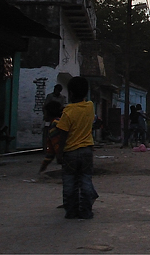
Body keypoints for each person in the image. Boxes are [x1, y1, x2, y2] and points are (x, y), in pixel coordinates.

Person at [55, 76, 97, 220]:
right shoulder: (90, 107)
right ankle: (86, 210)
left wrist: (59, 153)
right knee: (85, 180)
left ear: (71, 93)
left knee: (69, 181)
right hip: (86, 150)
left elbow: (63, 134)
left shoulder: (68, 112)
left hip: (70, 152)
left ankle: (71, 211)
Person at [38, 101, 63, 173]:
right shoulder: (59, 122)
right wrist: (44, 164)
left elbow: (52, 150)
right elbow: (51, 150)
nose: (44, 115)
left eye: (45, 113)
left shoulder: (55, 124)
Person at [43, 84, 66, 149]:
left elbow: (62, 107)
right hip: (49, 116)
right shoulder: (50, 96)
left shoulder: (62, 98)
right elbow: (45, 106)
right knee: (47, 131)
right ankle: (46, 147)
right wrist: (45, 115)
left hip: (57, 116)